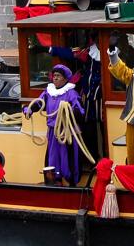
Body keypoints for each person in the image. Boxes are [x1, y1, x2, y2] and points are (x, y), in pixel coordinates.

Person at [41, 31, 105, 163]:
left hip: (102, 98)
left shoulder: (113, 53)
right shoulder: (88, 53)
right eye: (97, 38)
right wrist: (54, 50)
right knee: (88, 128)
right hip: (87, 96)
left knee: (101, 128)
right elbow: (72, 54)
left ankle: (102, 158)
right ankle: (90, 158)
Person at [23, 64, 85, 185]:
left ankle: (71, 182)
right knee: (53, 158)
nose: (55, 78)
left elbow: (79, 110)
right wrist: (29, 109)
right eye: (54, 76)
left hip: (67, 133)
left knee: (68, 159)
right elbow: (39, 103)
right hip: (53, 132)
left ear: (65, 78)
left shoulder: (71, 93)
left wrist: (70, 112)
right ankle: (54, 181)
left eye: (58, 76)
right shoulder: (48, 92)